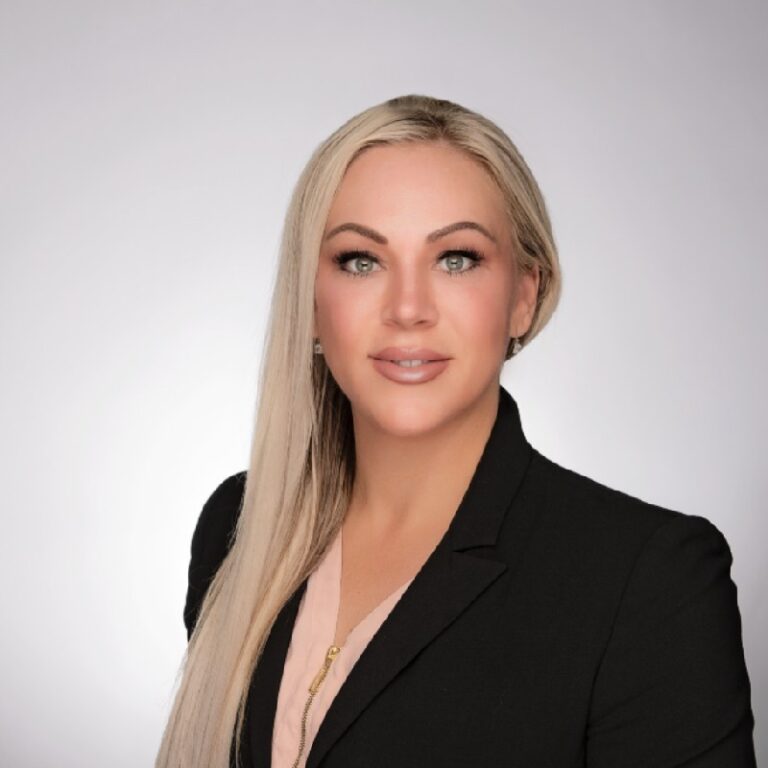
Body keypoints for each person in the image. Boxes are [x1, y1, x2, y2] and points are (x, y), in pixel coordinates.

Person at [155, 95, 756, 768]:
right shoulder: (237, 526)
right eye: (361, 260)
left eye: (457, 258)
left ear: (524, 295)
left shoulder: (649, 581)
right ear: (311, 303)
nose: (408, 309)